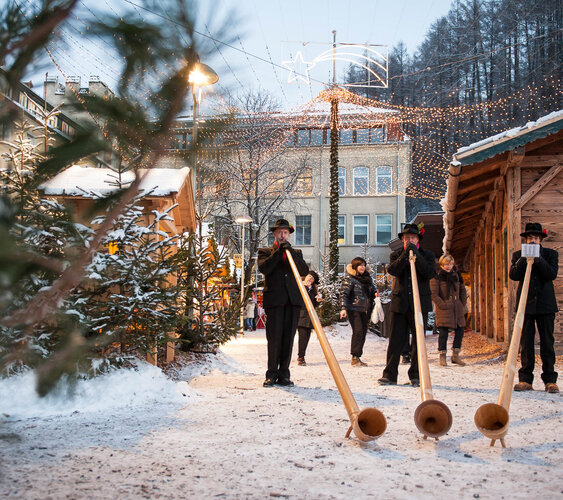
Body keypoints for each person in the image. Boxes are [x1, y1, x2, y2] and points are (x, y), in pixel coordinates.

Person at [378, 223, 435, 386]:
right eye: (406, 238)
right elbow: (393, 270)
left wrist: (416, 254)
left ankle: (416, 375)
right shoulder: (395, 255)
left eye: (412, 237)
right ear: (402, 240)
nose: (409, 240)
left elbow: (429, 272)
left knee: (418, 342)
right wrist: (406, 255)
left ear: (418, 239)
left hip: (420, 304)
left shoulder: (428, 255)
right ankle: (390, 374)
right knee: (395, 340)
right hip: (400, 303)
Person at [258, 218, 309, 387]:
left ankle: (284, 374)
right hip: (274, 301)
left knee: (288, 338)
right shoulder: (265, 252)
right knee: (274, 338)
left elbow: (303, 270)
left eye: (285, 232)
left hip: (292, 301)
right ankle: (271, 374)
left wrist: (291, 253)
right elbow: (265, 269)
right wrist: (279, 253)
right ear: (274, 234)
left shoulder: (297, 253)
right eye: (279, 232)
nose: (282, 235)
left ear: (289, 235)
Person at [509, 222, 559, 394]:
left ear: (540, 240)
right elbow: (514, 275)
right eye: (530, 238)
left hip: (546, 305)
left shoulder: (550, 254)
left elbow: (551, 274)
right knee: (526, 343)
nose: (533, 241)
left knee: (547, 343)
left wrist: (537, 258)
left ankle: (550, 380)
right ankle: (525, 379)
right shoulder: (518, 255)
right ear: (525, 240)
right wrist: (525, 258)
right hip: (526, 306)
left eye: (536, 238)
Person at [430, 254, 467, 367]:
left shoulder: (456, 275)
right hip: (444, 309)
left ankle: (456, 355)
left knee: (460, 331)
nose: (448, 266)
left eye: (450, 264)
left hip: (457, 308)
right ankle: (442, 356)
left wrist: (461, 303)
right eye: (446, 264)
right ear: (441, 264)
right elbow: (434, 294)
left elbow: (462, 290)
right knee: (443, 333)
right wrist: (443, 304)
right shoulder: (437, 276)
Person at [340, 257, 376, 367]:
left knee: (363, 332)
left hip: (365, 310)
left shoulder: (368, 279)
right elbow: (343, 294)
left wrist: (375, 294)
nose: (362, 267)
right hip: (353, 309)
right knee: (358, 331)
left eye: (364, 265)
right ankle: (355, 357)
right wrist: (343, 308)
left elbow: (372, 291)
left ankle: (357, 357)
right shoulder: (350, 279)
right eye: (360, 265)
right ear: (355, 267)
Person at [296, 271, 322, 366]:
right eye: (309, 276)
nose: (310, 279)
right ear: (306, 276)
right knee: (302, 337)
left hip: (310, 317)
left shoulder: (313, 290)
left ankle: (302, 355)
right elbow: (299, 299)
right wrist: (306, 287)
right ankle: (301, 357)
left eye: (312, 278)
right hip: (301, 316)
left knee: (307, 337)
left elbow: (314, 305)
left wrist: (318, 301)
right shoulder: (300, 286)